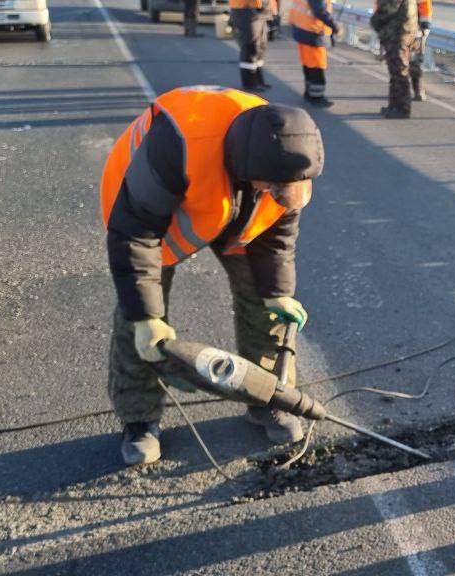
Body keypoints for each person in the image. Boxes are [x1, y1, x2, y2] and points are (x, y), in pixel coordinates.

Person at [99, 86, 325, 466]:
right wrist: (146, 318)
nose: (281, 197)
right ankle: (139, 418)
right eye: (274, 190)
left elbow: (277, 241)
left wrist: (277, 293)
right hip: (151, 216)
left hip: (233, 210)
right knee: (142, 325)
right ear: (254, 173)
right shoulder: (181, 143)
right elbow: (135, 234)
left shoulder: (288, 162)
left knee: (268, 307)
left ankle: (269, 399)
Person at [370, 0, 432, 118]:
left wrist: (375, 22)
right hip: (401, 32)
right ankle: (394, 105)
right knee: (395, 71)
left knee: (399, 72)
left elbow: (387, 9)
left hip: (398, 34)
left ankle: (402, 108)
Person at [290, 0, 339, 107]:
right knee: (317, 66)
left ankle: (309, 93)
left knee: (308, 65)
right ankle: (316, 97)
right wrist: (335, 26)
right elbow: (320, 11)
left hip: (301, 28)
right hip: (312, 32)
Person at [230, 0, 275, 91]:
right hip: (246, 8)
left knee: (261, 46)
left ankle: (258, 79)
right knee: (250, 47)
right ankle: (249, 83)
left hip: (261, 8)